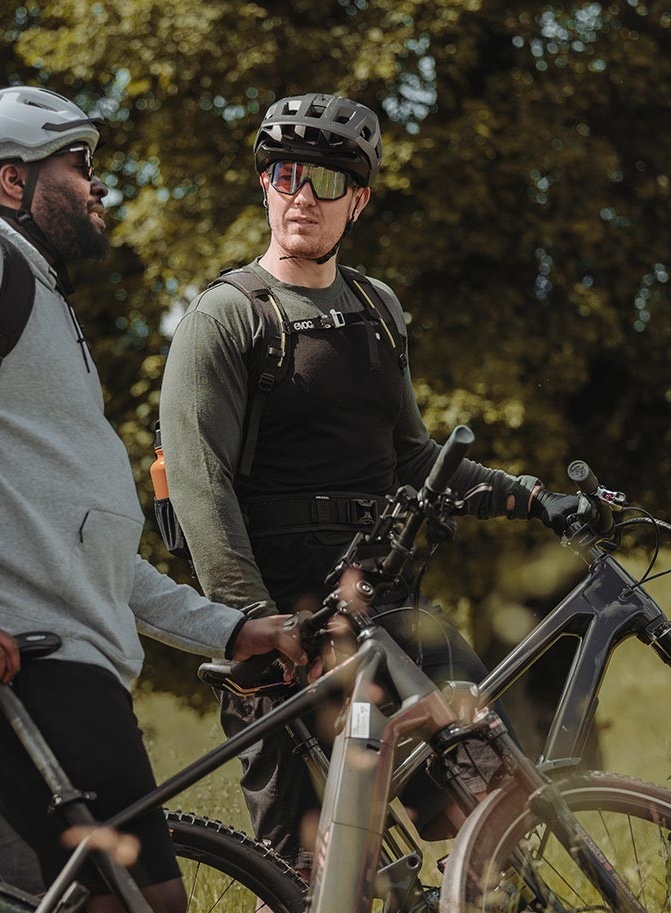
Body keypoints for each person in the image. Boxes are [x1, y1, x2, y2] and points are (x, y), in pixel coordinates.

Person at [0, 85, 306, 913]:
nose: (98, 184)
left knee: (145, 908)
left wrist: (230, 631)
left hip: (65, 655)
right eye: (78, 164)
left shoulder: (35, 292)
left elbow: (99, 549)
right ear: (12, 179)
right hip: (14, 656)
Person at [158, 92, 583, 872]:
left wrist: (532, 497)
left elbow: (416, 460)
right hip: (288, 625)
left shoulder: (377, 307)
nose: (301, 196)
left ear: (357, 200)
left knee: (497, 799)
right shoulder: (227, 317)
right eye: (285, 174)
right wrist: (254, 626)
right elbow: (200, 486)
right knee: (302, 871)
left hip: (385, 606)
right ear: (263, 185)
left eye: (324, 181)